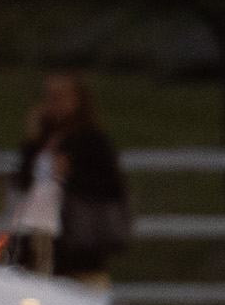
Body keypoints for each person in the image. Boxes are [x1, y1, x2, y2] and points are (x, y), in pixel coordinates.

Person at [7, 73, 132, 283]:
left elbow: (110, 187)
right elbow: (22, 181)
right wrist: (32, 140)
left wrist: (70, 175)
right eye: (49, 96)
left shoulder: (92, 140)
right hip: (38, 232)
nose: (53, 103)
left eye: (60, 97)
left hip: (76, 240)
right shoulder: (43, 139)